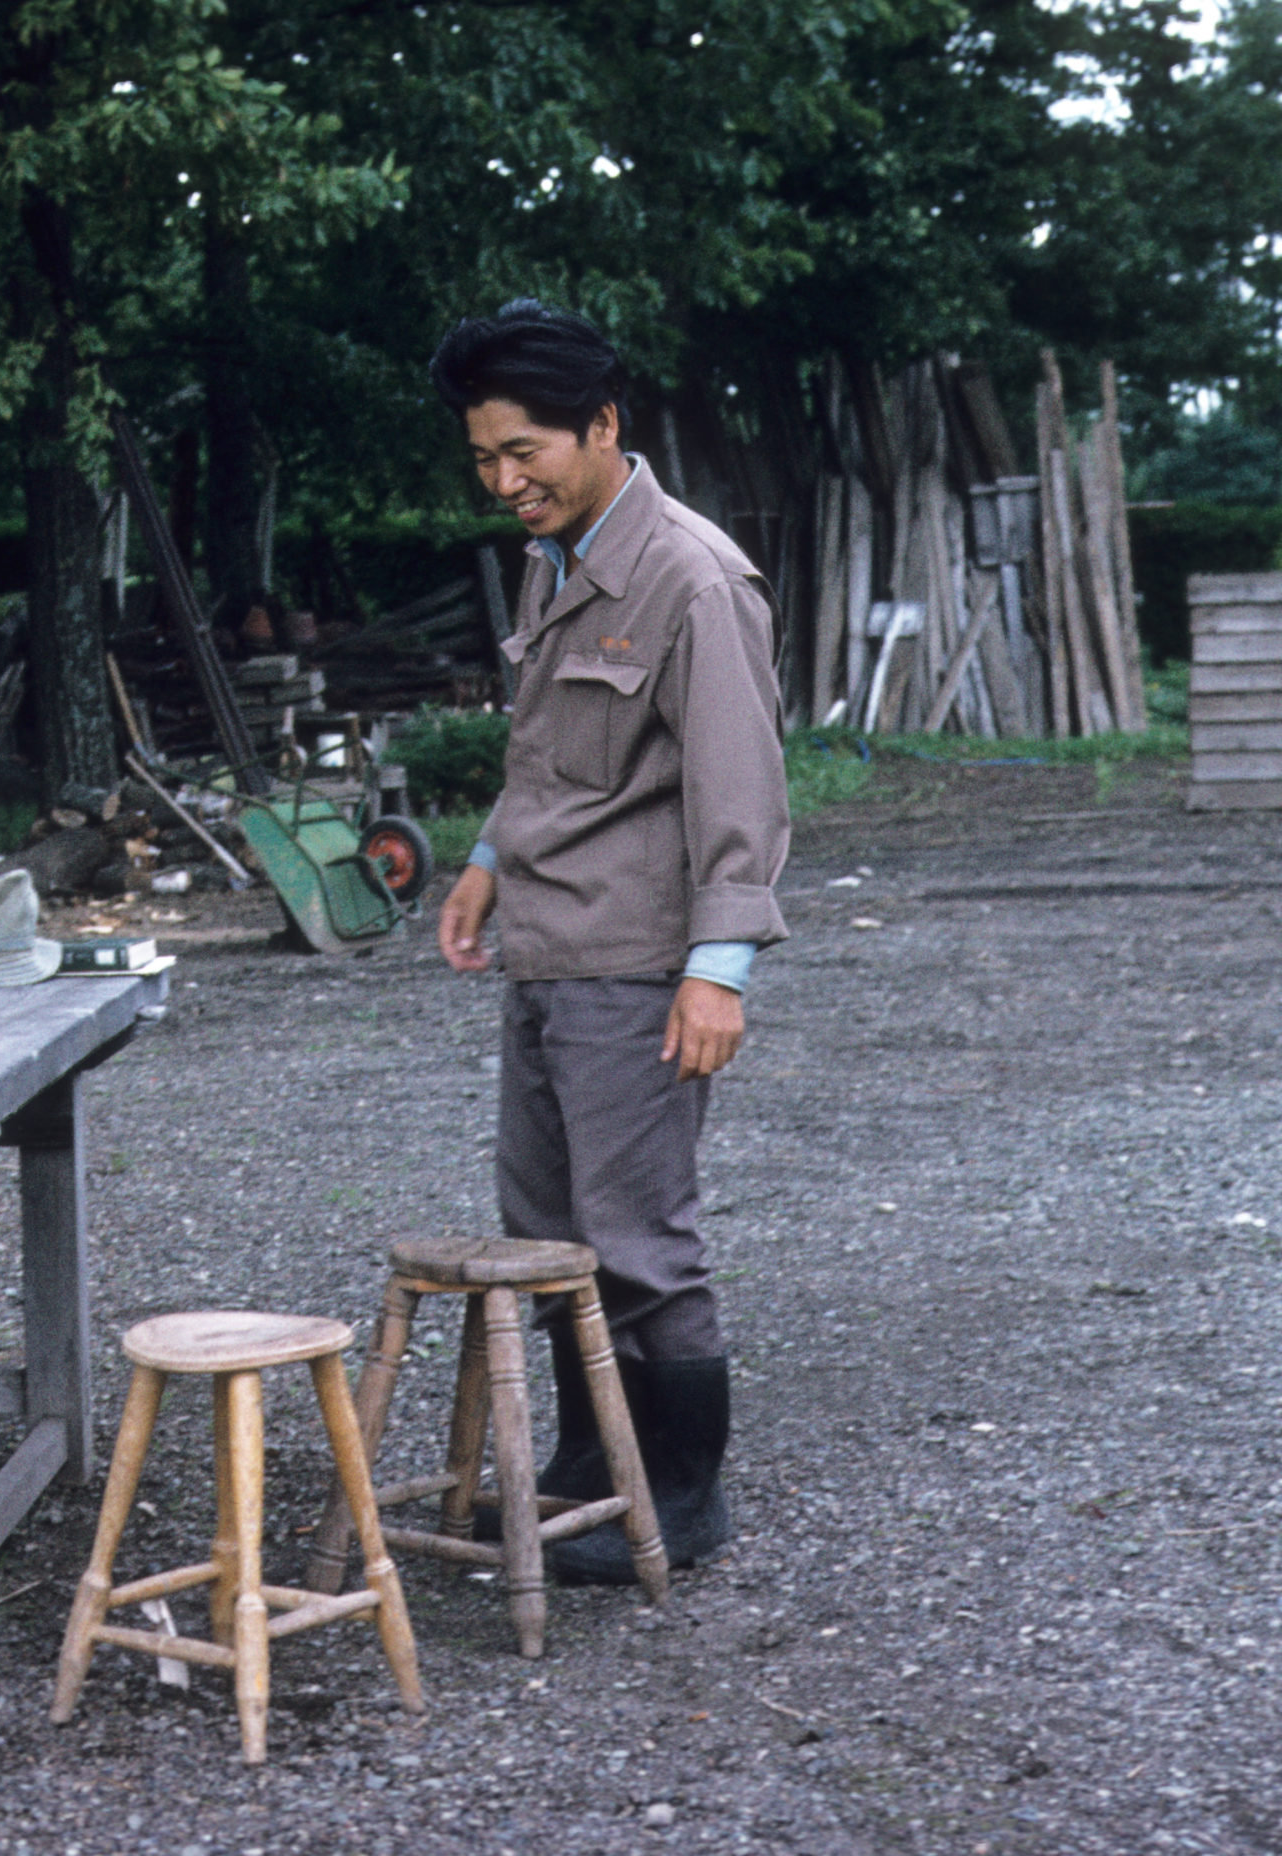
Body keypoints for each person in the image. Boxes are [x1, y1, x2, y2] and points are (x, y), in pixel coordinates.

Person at [427, 300, 789, 1583]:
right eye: (483, 457)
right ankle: (590, 1471)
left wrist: (718, 969)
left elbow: (739, 793)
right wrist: (480, 864)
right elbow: (551, 756)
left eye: (525, 450)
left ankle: (682, 1500)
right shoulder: (557, 553)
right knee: (545, 1225)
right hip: (546, 949)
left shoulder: (691, 577)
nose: (503, 481)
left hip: (639, 966)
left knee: (637, 1237)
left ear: (602, 426)